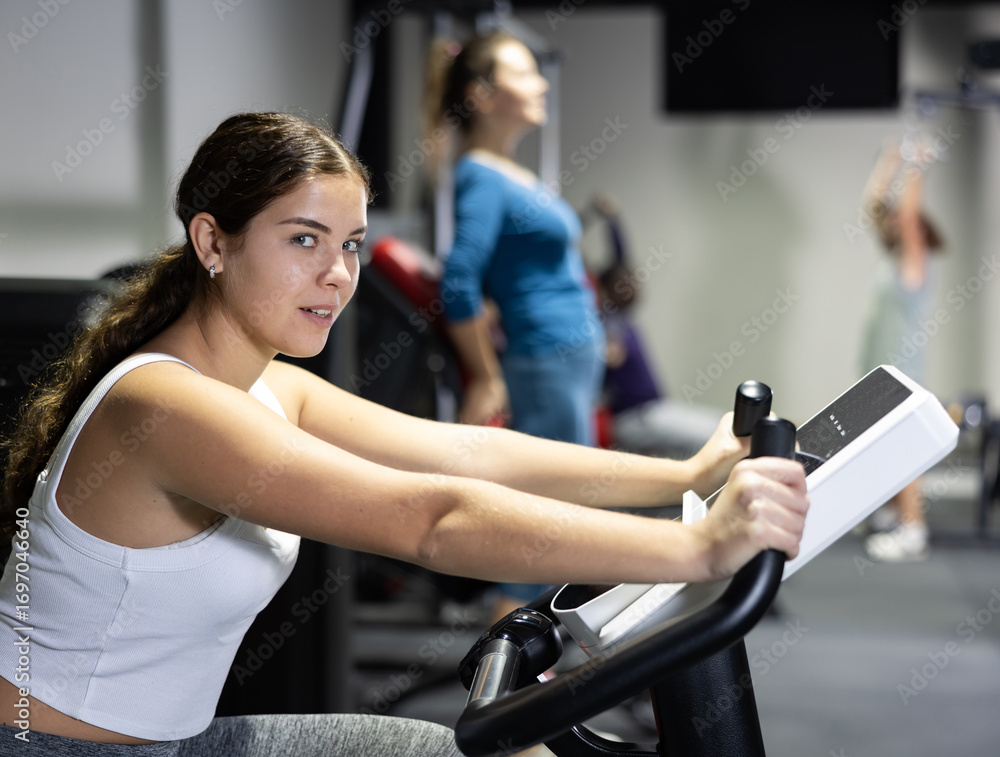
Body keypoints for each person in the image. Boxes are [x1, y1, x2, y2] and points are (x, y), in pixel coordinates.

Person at [0, 112, 808, 756]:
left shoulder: (267, 384)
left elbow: (468, 451)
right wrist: (699, 550)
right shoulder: (166, 406)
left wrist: (684, 473)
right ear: (213, 242)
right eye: (303, 239)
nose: (338, 275)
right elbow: (432, 520)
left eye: (349, 244)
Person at [425, 31, 608, 619]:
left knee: (558, 523)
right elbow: (458, 281)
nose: (542, 83)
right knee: (544, 528)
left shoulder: (510, 173)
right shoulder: (481, 176)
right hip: (544, 365)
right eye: (525, 73)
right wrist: (483, 374)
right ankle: (507, 689)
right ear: (482, 95)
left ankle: (531, 680)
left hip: (568, 362)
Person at [858, 137, 944, 562]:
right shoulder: (892, 260)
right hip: (881, 369)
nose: (895, 223)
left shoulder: (915, 263)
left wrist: (917, 166)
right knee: (881, 444)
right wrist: (891, 158)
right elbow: (875, 205)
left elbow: (907, 215)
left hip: (903, 370)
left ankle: (913, 529)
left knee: (903, 448)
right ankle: (894, 516)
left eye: (906, 225)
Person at [588, 197, 722, 460]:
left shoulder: (620, 317)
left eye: (633, 278)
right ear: (607, 290)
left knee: (723, 427)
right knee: (714, 438)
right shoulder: (602, 323)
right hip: (635, 419)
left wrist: (613, 220)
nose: (635, 284)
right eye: (624, 282)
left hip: (655, 410)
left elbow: (620, 259)